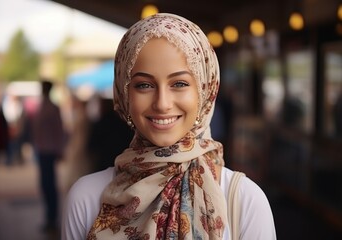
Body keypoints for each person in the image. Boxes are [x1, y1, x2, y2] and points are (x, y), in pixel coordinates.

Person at [62, 13, 276, 240]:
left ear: (205, 90)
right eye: (144, 85)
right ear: (124, 94)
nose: (162, 103)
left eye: (180, 84)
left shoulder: (244, 201)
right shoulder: (86, 199)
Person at [32, 79, 65, 233]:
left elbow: (59, 130)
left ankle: (52, 217)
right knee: (45, 184)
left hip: (49, 151)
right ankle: (49, 217)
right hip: (42, 150)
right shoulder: (43, 106)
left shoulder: (51, 108)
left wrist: (59, 149)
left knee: (49, 184)